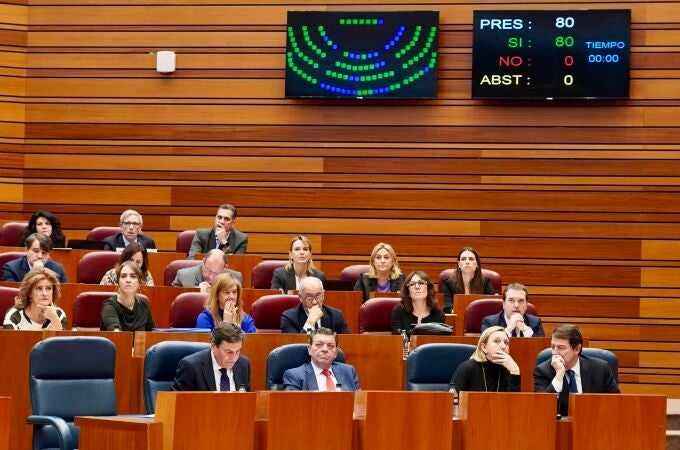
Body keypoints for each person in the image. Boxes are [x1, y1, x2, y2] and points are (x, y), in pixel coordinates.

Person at [534, 324, 619, 416]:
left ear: (577, 349)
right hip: (561, 428)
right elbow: (542, 408)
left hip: (595, 424)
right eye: (553, 347)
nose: (555, 352)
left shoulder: (600, 369)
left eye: (561, 348)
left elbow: (617, 404)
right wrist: (559, 375)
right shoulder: (542, 371)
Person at [172, 322, 251, 391]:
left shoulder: (243, 364)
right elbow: (176, 403)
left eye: (237, 351)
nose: (234, 358)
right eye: (228, 352)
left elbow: (247, 401)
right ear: (213, 345)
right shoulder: (191, 367)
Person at [283, 327, 360, 391]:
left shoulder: (349, 371)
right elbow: (292, 406)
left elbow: (359, 403)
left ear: (336, 353)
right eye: (319, 345)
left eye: (330, 345)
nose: (325, 349)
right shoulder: (295, 375)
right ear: (310, 350)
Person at [450, 325, 521, 393]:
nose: (503, 346)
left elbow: (515, 403)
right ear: (484, 347)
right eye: (496, 341)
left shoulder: (509, 370)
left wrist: (514, 370)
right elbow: (453, 400)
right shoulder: (467, 368)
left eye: (506, 342)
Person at [281, 276, 349, 334]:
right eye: (309, 297)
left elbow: (346, 344)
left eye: (318, 296)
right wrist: (311, 321)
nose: (314, 302)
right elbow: (294, 347)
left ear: (323, 295)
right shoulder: (289, 317)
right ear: (300, 297)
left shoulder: (336, 316)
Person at [100, 261, 155, 331]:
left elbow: (152, 333)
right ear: (118, 282)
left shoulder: (144, 305)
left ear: (139, 283)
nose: (128, 280)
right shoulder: (110, 306)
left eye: (133, 276)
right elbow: (116, 335)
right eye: (123, 276)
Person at [441, 247, 496, 314]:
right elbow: (447, 307)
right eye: (463, 259)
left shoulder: (485, 283)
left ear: (477, 264)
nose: (467, 262)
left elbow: (492, 307)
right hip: (455, 320)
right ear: (459, 265)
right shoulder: (448, 283)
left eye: (471, 259)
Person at [391, 270, 445, 335]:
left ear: (428, 289)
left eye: (421, 283)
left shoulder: (438, 314)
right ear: (408, 292)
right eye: (412, 284)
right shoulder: (398, 312)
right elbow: (397, 341)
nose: (417, 287)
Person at [1, 233, 67, 283]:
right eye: (36, 251)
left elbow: (63, 295)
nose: (40, 256)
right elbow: (12, 294)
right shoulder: (11, 269)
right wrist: (33, 273)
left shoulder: (58, 269)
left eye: (44, 253)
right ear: (26, 249)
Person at [172, 249, 243, 293]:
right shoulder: (183, 277)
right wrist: (196, 293)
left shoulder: (235, 278)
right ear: (203, 261)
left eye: (216, 273)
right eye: (209, 270)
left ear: (224, 267)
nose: (211, 277)